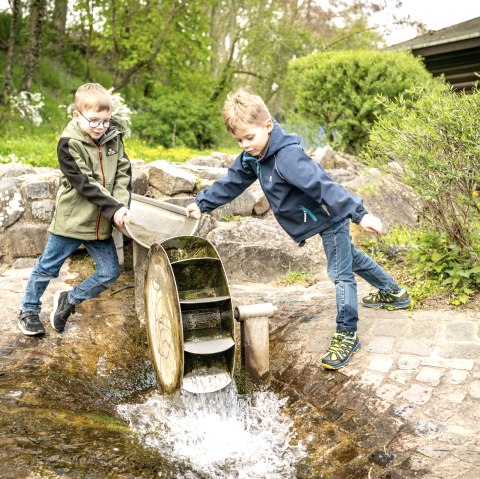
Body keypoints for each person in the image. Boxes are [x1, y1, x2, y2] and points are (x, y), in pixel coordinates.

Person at [186, 89, 410, 370]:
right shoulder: (254, 155)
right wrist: (202, 203)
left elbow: (323, 185)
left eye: (249, 137)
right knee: (349, 258)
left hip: (332, 214)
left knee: (340, 274)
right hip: (316, 216)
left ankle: (346, 333)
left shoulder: (287, 157)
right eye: (238, 140)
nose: (244, 145)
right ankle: (394, 292)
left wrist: (359, 214)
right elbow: (233, 181)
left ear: (267, 126)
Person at [17, 83, 132, 337]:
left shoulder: (113, 137)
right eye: (94, 121)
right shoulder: (68, 144)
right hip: (72, 221)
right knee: (47, 267)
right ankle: (28, 309)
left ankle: (69, 300)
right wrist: (114, 208)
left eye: (106, 121)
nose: (101, 127)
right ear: (77, 116)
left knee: (109, 273)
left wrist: (121, 205)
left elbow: (123, 173)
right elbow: (85, 183)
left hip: (101, 222)